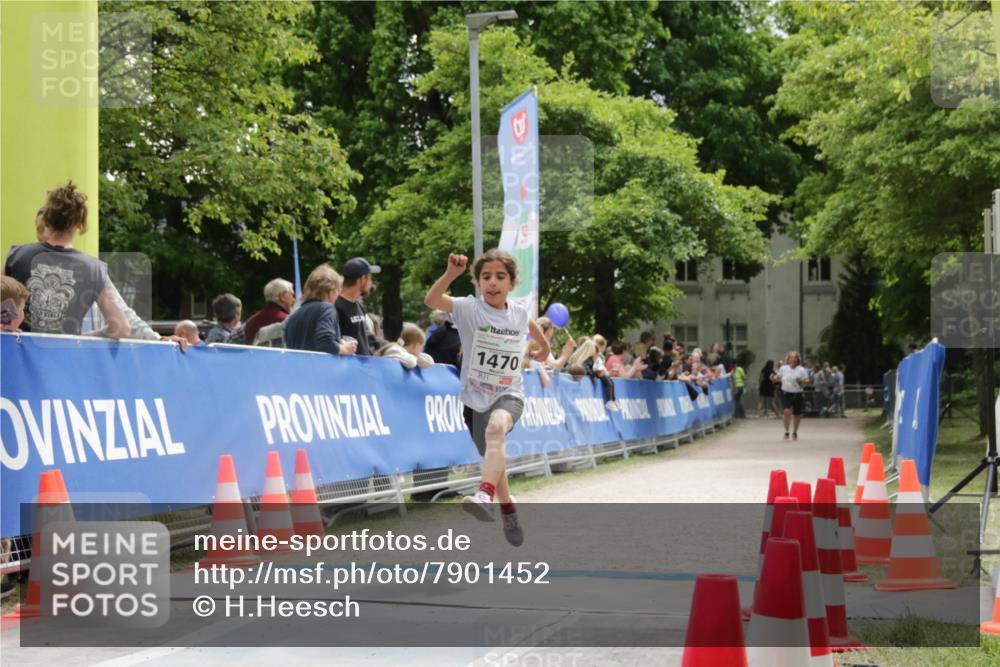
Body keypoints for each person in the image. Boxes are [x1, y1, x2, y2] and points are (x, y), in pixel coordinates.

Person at [424, 249, 549, 546]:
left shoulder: (518, 312)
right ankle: (508, 508)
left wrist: (542, 346)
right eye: (486, 277)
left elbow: (529, 326)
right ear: (478, 282)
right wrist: (451, 275)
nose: (492, 283)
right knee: (495, 459)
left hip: (509, 393)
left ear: (512, 282)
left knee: (496, 429)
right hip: (473, 399)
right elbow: (432, 301)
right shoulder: (469, 309)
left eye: (500, 277)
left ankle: (484, 495)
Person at [4, 182, 129, 338]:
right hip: (65, 357)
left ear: (47, 221)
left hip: (16, 356)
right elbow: (121, 328)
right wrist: (84, 337)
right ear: (79, 224)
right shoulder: (95, 269)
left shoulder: (16, 255)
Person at [283, 264, 358, 356]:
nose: (337, 296)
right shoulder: (326, 309)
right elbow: (325, 341)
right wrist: (344, 349)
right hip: (320, 369)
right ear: (330, 291)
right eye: (337, 291)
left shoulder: (294, 316)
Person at [336, 257, 385, 355]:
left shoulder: (358, 305)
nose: (371, 283)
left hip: (362, 367)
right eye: (370, 278)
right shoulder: (336, 306)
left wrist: (393, 346)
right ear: (362, 279)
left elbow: (369, 338)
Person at [772, 351, 810, 440]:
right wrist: (773, 378)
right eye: (791, 357)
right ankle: (786, 431)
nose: (792, 359)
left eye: (794, 357)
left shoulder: (801, 369)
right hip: (786, 393)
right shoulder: (783, 368)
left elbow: (807, 381)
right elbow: (777, 378)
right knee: (786, 411)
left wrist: (801, 380)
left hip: (798, 394)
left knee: (797, 415)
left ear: (797, 359)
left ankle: (795, 432)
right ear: (788, 359)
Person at [243, 278, 294, 344]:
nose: (294, 299)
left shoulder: (250, 321)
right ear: (282, 297)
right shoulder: (287, 321)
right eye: (292, 295)